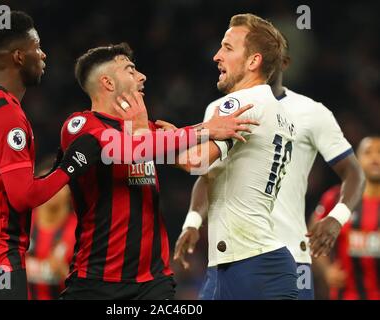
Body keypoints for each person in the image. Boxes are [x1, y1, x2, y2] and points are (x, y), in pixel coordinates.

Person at [58, 43, 258, 300]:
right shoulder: (81, 126)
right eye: (130, 70)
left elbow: (194, 163)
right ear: (107, 82)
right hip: (96, 281)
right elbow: (129, 150)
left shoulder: (146, 131)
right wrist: (208, 129)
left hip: (154, 282)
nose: (142, 76)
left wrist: (230, 133)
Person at [175, 33, 365, 300]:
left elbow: (354, 172)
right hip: (230, 255)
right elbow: (209, 173)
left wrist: (337, 217)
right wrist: (193, 222)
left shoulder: (311, 112)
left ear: (282, 63)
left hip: (287, 252)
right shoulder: (225, 109)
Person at [0, 11, 96, 300]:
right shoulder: (7, 115)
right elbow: (23, 196)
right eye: (36, 47)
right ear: (18, 56)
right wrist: (71, 166)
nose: (43, 55)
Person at [174, 13, 299, 300]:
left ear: (253, 61)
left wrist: (148, 138)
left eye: (228, 48)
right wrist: (194, 221)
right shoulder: (279, 110)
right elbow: (212, 174)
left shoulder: (240, 103)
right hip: (244, 265)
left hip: (249, 266)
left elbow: (194, 161)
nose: (217, 56)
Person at [313, 136, 379, 300]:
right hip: (346, 295)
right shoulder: (336, 198)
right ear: (357, 160)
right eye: (368, 152)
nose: (375, 158)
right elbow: (312, 234)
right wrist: (327, 270)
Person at [26, 160, 77, 300]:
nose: (52, 189)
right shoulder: (21, 224)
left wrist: (64, 273)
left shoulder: (80, 230)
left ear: (69, 190)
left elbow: (90, 288)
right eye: (45, 182)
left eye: (58, 184)